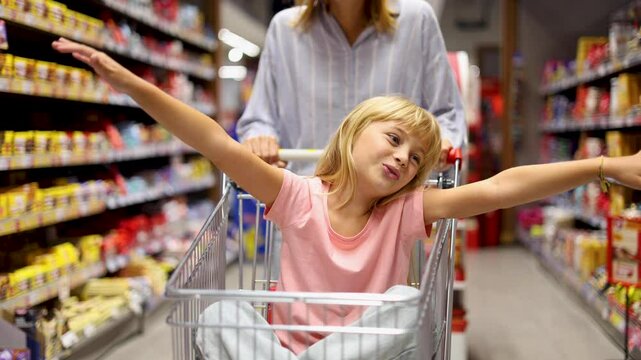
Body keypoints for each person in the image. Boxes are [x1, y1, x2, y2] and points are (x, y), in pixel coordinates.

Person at [53, 38, 641, 359]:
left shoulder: (408, 211)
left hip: (363, 354)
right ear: (355, 130)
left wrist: (603, 165)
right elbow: (211, 138)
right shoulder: (295, 196)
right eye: (394, 139)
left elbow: (500, 188)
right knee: (217, 311)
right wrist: (129, 83)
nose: (403, 159)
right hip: (285, 348)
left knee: (406, 303)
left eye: (415, 159)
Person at [238, 0, 466, 175]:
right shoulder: (285, 29)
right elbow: (259, 118)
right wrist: (261, 138)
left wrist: (443, 142)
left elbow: (447, 113)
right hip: (306, 208)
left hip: (391, 211)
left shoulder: (417, 21)